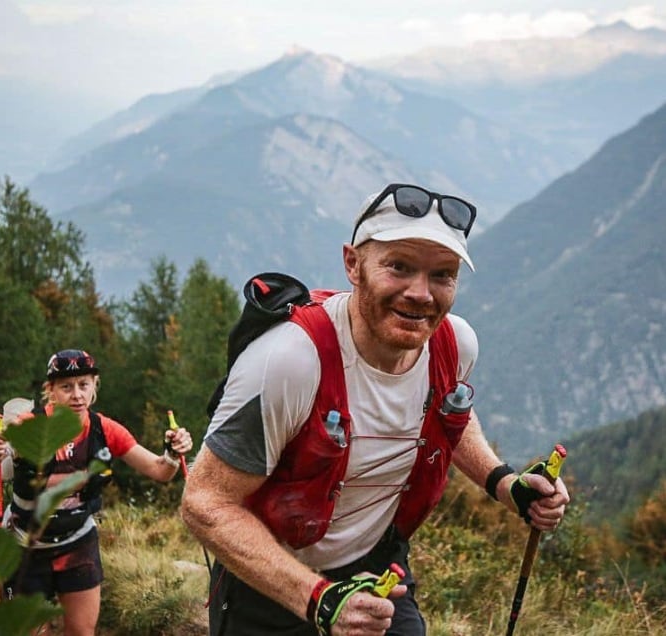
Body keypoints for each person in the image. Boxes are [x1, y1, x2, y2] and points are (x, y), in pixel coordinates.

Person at [180, 183, 570, 636]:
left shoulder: (452, 344)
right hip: (271, 583)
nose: (420, 294)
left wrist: (505, 483)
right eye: (399, 267)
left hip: (378, 572)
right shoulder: (290, 361)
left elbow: (449, 414)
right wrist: (320, 601)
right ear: (353, 264)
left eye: (442, 275)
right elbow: (205, 502)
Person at [0, 348, 193, 636]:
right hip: (25, 547)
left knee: (81, 632)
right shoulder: (26, 427)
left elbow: (159, 472)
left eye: (84, 385)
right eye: (67, 387)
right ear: (51, 391)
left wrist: (171, 452)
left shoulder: (104, 430)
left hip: (78, 543)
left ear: (94, 387)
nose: (77, 395)